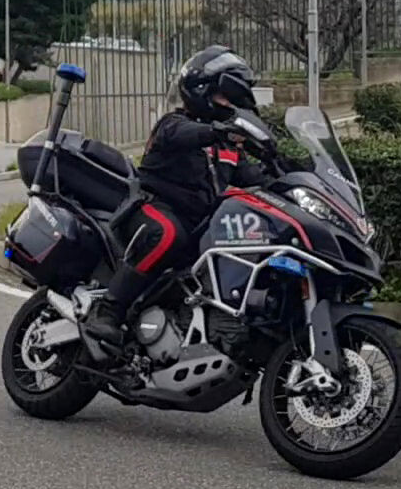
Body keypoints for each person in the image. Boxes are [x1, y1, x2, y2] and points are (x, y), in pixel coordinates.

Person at [82, 45, 266, 351]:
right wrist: (219, 130)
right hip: (153, 209)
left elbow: (253, 178)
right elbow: (189, 134)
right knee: (167, 234)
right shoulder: (173, 125)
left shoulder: (230, 149)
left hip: (198, 225)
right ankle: (108, 311)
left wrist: (290, 170)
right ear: (202, 92)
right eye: (225, 96)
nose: (230, 104)